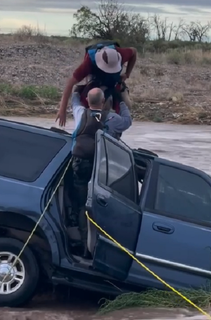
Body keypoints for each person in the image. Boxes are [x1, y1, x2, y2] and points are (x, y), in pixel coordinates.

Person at [69, 86, 132, 257]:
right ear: (104, 102)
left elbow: (74, 102)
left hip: (80, 165)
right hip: (102, 169)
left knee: (83, 205)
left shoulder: (81, 113)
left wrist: (77, 91)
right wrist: (120, 99)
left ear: (87, 101)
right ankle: (101, 247)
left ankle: (84, 245)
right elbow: (128, 121)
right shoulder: (112, 118)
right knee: (102, 205)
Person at [55, 42, 137, 127]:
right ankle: (93, 125)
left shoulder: (122, 53)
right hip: (96, 80)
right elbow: (70, 83)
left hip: (114, 81)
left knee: (127, 105)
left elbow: (134, 52)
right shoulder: (89, 62)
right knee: (98, 102)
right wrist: (62, 110)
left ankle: (112, 130)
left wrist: (127, 74)